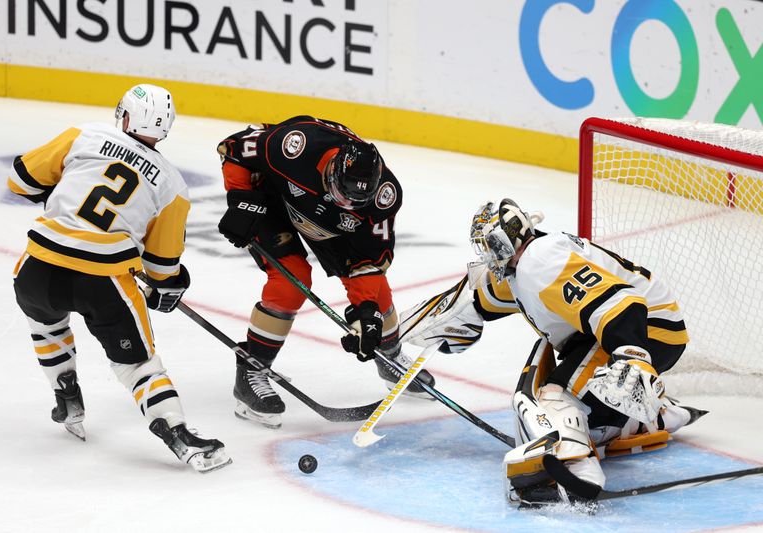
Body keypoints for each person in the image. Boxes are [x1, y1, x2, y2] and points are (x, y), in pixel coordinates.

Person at [399, 198, 706, 506]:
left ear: (507, 238)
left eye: (490, 245)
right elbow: (469, 302)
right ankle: (641, 419)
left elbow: (623, 304)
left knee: (555, 401)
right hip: (627, 330)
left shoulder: (541, 261)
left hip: (649, 329)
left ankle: (576, 472)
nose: (487, 255)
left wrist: (631, 357)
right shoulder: (522, 267)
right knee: (570, 404)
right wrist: (393, 334)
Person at [9, 84, 230, 473]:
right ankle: (179, 434)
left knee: (45, 327)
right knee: (139, 365)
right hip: (102, 280)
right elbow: (161, 268)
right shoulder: (173, 185)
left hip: (37, 267)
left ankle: (67, 399)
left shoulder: (85, 135)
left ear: (125, 116)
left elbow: (20, 181)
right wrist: (171, 283)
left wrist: (60, 193)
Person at [216, 115, 435, 429]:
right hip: (273, 200)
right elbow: (233, 149)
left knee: (378, 293)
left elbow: (368, 263)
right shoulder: (297, 146)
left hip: (330, 227)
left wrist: (365, 313)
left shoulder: (384, 197)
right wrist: (240, 201)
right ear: (333, 169)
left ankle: (390, 357)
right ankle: (252, 370)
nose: (344, 202)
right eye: (340, 192)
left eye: (354, 201)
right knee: (292, 280)